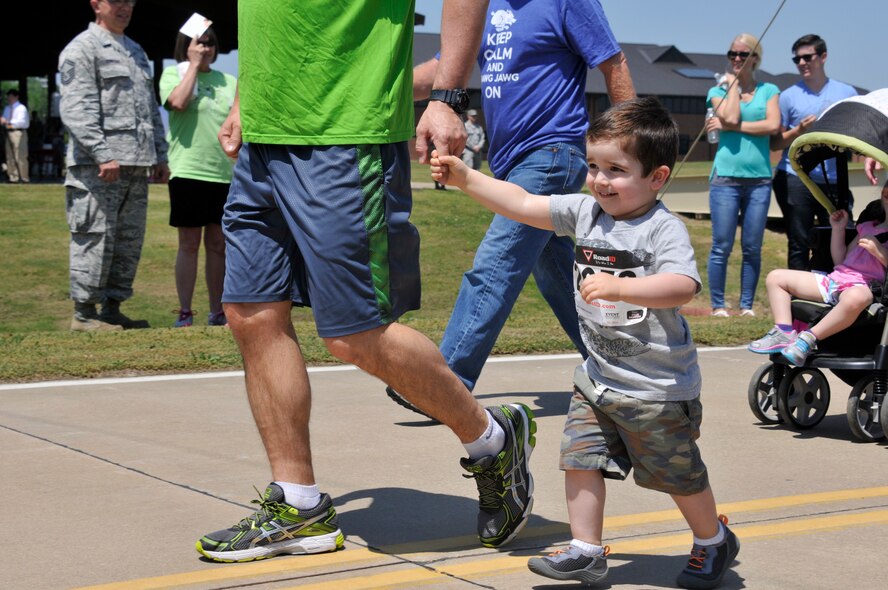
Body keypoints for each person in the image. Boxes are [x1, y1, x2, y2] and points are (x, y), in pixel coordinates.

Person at [194, 0, 537, 562]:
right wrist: (242, 99)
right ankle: (299, 505)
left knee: (355, 332)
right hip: (264, 135)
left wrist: (448, 96)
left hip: (346, 131)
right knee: (250, 314)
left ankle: (492, 439)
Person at [431, 96, 739, 590]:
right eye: (593, 165)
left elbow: (683, 285)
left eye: (616, 169)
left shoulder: (664, 229)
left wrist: (622, 287)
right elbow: (525, 205)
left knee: (678, 476)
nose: (599, 179)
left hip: (657, 387)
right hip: (597, 381)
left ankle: (712, 539)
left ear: (657, 177)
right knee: (579, 459)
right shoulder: (585, 213)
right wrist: (467, 178)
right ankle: (586, 550)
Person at [390, 0, 635, 416]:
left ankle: (446, 383)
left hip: (552, 153)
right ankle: (621, 366)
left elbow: (614, 64)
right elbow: (441, 69)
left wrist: (633, 147)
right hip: (510, 167)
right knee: (557, 273)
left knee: (496, 263)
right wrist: (379, 86)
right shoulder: (480, 7)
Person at [58, 0, 169, 332]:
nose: (125, 8)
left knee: (127, 240)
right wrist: (101, 152)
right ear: (96, 5)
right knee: (94, 234)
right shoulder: (82, 48)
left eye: (130, 2)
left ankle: (111, 308)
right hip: (99, 165)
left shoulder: (135, 51)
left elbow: (150, 108)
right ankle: (84, 313)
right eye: (116, 1)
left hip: (136, 162)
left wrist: (160, 155)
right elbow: (77, 108)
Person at [749, 182, 888, 365]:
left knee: (857, 297)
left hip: (863, 286)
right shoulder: (868, 227)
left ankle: (808, 339)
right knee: (776, 277)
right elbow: (841, 260)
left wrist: (879, 251)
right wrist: (838, 229)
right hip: (835, 280)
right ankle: (783, 331)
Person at [159, 27, 237, 328]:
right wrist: (192, 65)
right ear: (186, 46)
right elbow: (177, 102)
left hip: (223, 173)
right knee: (189, 243)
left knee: (218, 244)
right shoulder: (172, 74)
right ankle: (185, 311)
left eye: (210, 42)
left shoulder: (228, 81)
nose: (205, 47)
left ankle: (217, 311)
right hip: (188, 170)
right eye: (199, 42)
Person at [705, 33, 780, 318]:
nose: (736, 59)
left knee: (752, 246)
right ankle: (719, 305)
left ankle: (746, 306)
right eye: (732, 54)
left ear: (755, 59)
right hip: (725, 177)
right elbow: (733, 116)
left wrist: (731, 128)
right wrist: (732, 86)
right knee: (721, 244)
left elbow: (773, 125)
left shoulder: (769, 90)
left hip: (759, 178)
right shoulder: (716, 92)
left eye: (742, 54)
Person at [771, 34, 858, 271]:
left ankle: (835, 292)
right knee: (799, 241)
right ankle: (797, 298)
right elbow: (775, 143)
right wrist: (799, 130)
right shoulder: (788, 96)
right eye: (797, 59)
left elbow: (858, 134)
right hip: (795, 178)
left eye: (807, 57)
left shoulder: (847, 93)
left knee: (842, 235)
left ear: (823, 57)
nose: (802, 63)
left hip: (835, 180)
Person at [1, 88, 30, 184]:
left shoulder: (21, 108)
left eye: (11, 96)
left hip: (18, 132)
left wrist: (8, 122)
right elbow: (4, 120)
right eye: (8, 97)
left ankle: (24, 177)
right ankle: (13, 177)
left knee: (20, 155)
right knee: (10, 156)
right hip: (8, 132)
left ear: (16, 97)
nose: (9, 98)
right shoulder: (7, 108)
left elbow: (21, 122)